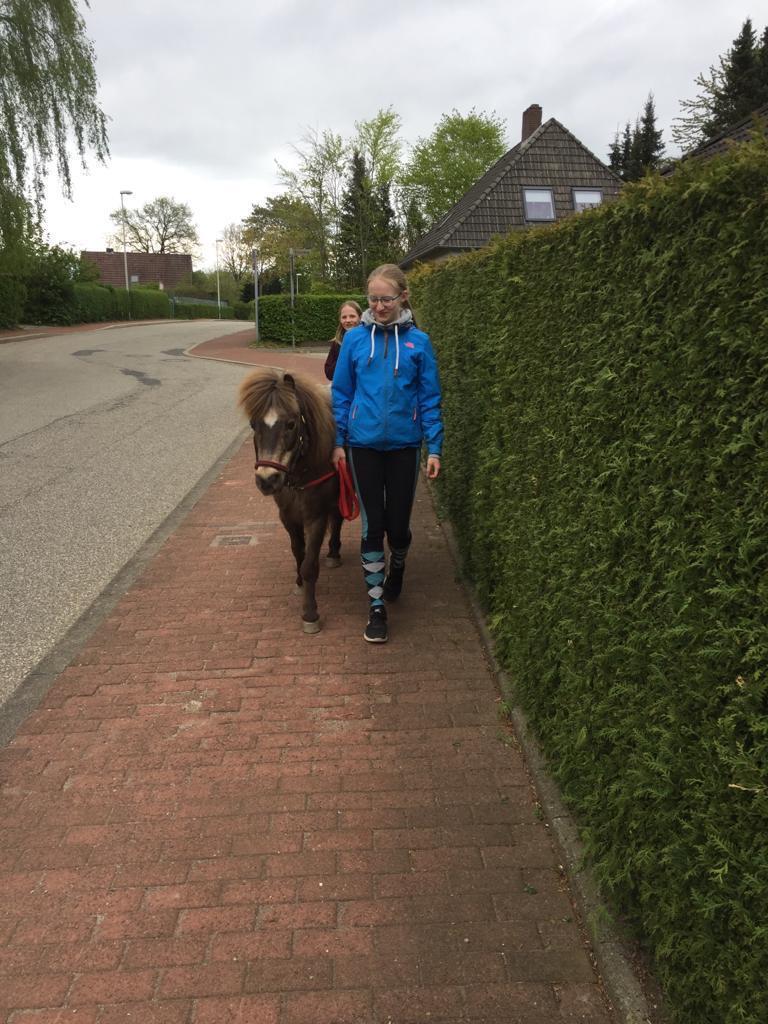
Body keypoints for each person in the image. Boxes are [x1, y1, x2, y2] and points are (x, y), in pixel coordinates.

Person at [331, 264, 443, 643]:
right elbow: (342, 394)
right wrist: (338, 442)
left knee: (398, 528)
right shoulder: (354, 340)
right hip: (362, 445)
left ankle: (399, 563)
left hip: (404, 446)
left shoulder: (419, 343)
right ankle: (376, 606)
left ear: (403, 297)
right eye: (373, 299)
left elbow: (429, 398)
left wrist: (434, 447)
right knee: (372, 526)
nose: (378, 306)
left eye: (387, 299)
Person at [324, 300, 362, 381]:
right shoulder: (337, 342)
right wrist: (344, 352)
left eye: (352, 316)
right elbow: (329, 373)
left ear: (360, 317)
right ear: (340, 320)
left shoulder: (368, 340)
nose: (348, 320)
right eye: (344, 317)